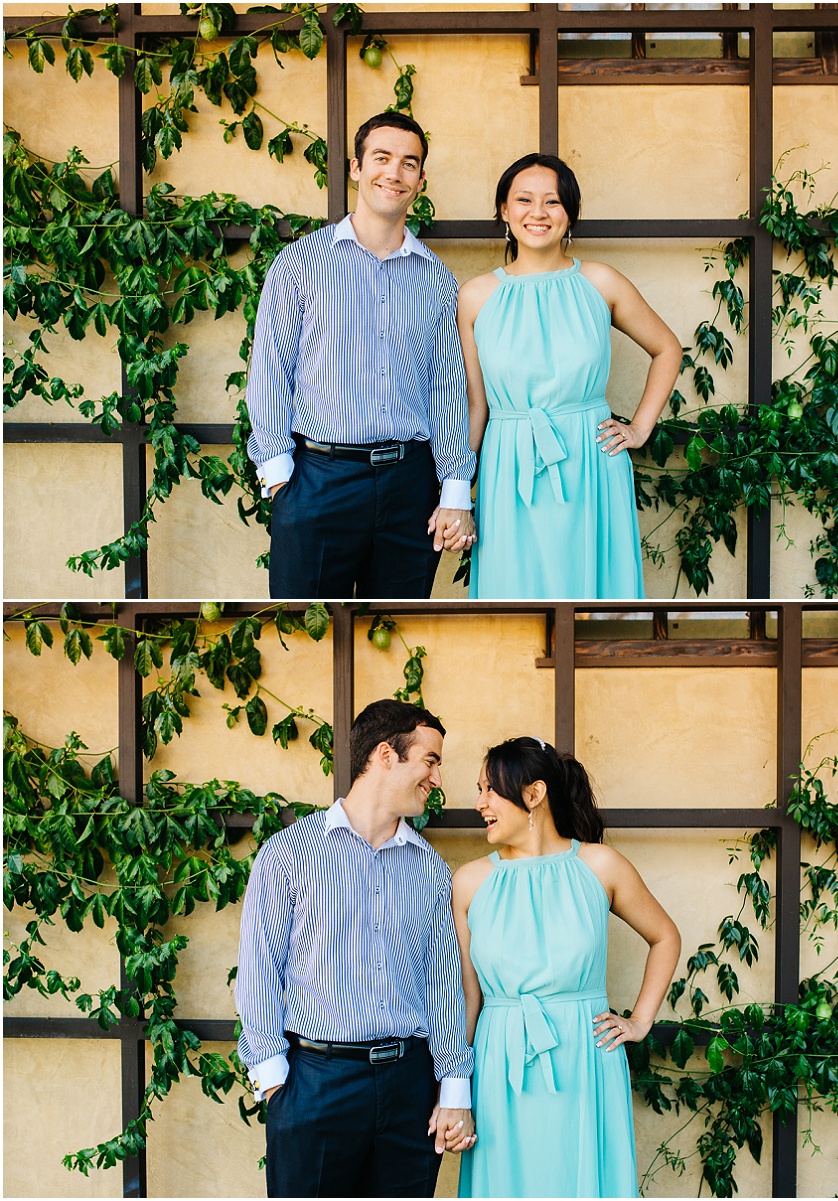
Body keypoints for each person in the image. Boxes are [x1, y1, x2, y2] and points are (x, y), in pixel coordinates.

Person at [235, 699, 476, 1198]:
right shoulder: (287, 854)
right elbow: (260, 971)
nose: (435, 777)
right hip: (314, 1085)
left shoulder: (429, 867)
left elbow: (443, 984)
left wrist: (453, 1089)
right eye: (429, 760)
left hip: (409, 1087)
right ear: (386, 755)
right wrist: (276, 1085)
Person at [246, 112, 477, 599]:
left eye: (408, 164)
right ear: (355, 168)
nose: (394, 173)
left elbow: (448, 391)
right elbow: (270, 371)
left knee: (396, 634)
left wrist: (455, 488)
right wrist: (280, 479)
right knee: (310, 633)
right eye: (382, 158)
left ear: (421, 181)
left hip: (410, 487)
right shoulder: (299, 263)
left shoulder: (436, 279)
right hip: (318, 482)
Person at [453, 736, 681, 1198]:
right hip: (501, 1062)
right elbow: (469, 996)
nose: (479, 804)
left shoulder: (601, 866)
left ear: (533, 795)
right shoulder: (470, 881)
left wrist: (639, 1020)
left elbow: (665, 937)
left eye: (489, 790)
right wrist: (457, 1090)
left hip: (584, 1055)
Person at [457, 154, 683, 599]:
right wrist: (457, 489)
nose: (538, 213)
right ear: (504, 210)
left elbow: (667, 348)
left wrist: (639, 428)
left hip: (590, 458)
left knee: (591, 602)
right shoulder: (476, 295)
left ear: (571, 214)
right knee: (514, 599)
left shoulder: (601, 282)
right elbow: (476, 404)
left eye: (553, 202)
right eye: (524, 200)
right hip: (509, 462)